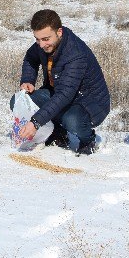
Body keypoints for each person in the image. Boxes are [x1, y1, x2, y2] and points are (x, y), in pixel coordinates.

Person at [11, 9, 111, 155]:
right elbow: (30, 57)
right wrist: (28, 79)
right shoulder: (44, 44)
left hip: (88, 103)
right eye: (37, 39)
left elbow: (65, 95)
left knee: (71, 119)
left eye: (45, 39)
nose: (41, 44)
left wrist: (35, 122)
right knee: (18, 100)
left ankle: (88, 139)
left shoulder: (76, 54)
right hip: (59, 94)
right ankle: (58, 132)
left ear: (59, 32)